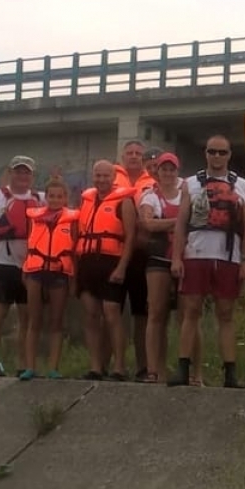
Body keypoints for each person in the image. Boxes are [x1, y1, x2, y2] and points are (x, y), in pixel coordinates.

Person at [171, 134, 245, 388]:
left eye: (222, 152)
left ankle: (230, 374)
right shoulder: (190, 183)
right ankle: (183, 370)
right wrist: (177, 257)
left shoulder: (242, 186)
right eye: (212, 152)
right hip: (196, 252)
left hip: (228, 254)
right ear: (205, 153)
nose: (217, 157)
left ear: (229, 155)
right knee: (191, 311)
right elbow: (180, 224)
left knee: (226, 313)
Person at [0, 155, 42, 377]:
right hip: (2, 263)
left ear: (32, 175)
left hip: (30, 266)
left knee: (27, 316)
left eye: (27, 172)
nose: (22, 175)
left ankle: (24, 364)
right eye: (18, 171)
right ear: (10, 173)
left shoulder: (41, 199)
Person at [76, 160, 137, 381]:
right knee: (91, 316)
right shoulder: (86, 199)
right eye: (98, 175)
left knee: (112, 315)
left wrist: (122, 267)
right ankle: (96, 367)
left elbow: (130, 237)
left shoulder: (125, 201)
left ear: (113, 177)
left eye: (105, 176)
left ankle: (119, 366)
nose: (101, 180)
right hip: (87, 263)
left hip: (112, 262)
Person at [19, 178, 78, 380]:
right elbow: (30, 245)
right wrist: (24, 271)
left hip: (59, 273)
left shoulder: (72, 220)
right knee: (33, 320)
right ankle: (30, 367)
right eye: (51, 196)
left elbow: (74, 251)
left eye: (59, 196)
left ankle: (53, 368)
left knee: (56, 322)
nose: (55, 199)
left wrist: (73, 280)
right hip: (35, 272)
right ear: (46, 198)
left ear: (65, 198)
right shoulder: (35, 218)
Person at [135, 152, 184, 384]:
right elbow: (148, 223)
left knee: (187, 316)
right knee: (156, 314)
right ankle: (154, 370)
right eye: (163, 169)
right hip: (158, 259)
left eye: (171, 169)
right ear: (157, 172)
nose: (167, 173)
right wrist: (178, 222)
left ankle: (192, 373)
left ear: (177, 171)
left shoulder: (187, 194)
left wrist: (165, 224)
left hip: (185, 258)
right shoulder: (150, 196)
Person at [117, 139, 153, 379]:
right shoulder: (110, 178)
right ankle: (114, 366)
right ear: (123, 156)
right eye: (129, 152)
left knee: (142, 314)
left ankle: (144, 366)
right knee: (112, 313)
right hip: (113, 252)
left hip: (141, 254)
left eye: (138, 153)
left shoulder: (151, 183)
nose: (133, 156)